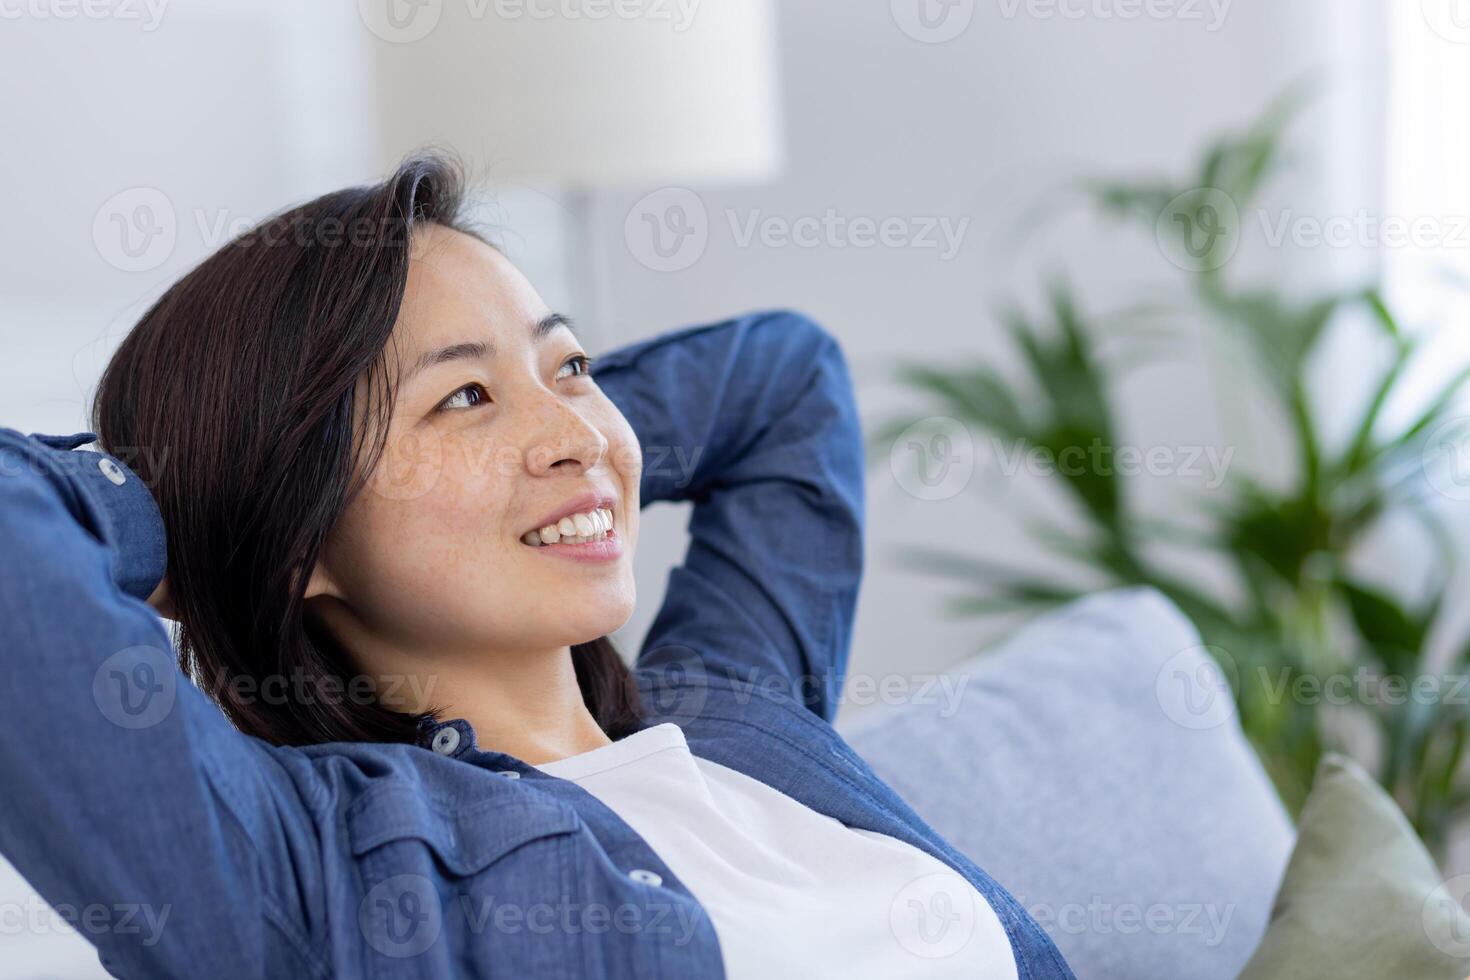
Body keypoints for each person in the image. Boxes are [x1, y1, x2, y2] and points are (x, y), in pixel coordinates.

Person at [0, 152, 1075, 978]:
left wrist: (578, 452)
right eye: (461, 396)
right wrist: (217, 505)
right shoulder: (317, 867)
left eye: (571, 364)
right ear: (299, 537)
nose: (572, 425)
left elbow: (786, 384)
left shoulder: (738, 718)